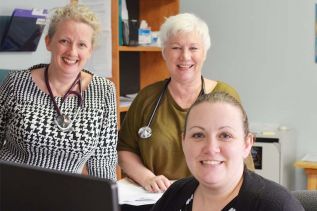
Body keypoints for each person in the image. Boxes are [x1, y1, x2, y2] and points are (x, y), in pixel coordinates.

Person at [117, 13, 254, 193]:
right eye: (176, 48)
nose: (185, 56)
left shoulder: (224, 97)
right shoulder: (146, 98)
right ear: (164, 52)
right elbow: (125, 149)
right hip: (159, 199)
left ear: (204, 53)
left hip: (216, 197)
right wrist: (147, 178)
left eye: (193, 48)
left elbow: (240, 155)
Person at [0, 4, 118, 180]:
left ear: (90, 51)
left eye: (82, 45)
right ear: (48, 42)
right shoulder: (16, 83)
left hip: (67, 194)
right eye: (64, 41)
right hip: (13, 188)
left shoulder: (104, 91)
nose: (72, 52)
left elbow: (104, 161)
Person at [151, 92, 304, 211]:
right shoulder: (176, 194)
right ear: (183, 142)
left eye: (225, 135)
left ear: (246, 144)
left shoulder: (277, 206)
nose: (211, 148)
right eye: (198, 135)